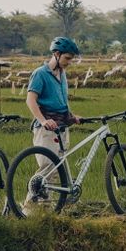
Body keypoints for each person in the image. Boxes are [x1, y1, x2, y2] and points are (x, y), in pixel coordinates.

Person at [23, 37, 85, 203]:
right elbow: (30, 100)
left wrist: (71, 116)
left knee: (57, 171)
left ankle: (46, 209)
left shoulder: (62, 74)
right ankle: (28, 208)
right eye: (67, 58)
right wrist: (43, 120)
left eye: (71, 59)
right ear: (56, 54)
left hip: (62, 127)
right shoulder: (40, 74)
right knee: (47, 169)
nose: (69, 62)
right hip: (47, 129)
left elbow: (62, 100)